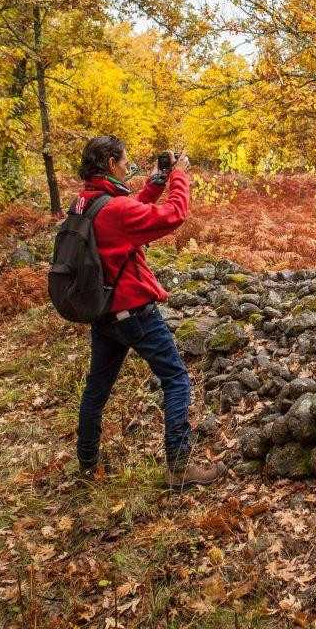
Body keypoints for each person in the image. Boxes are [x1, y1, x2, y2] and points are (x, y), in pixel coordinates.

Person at [72, 135, 223, 488]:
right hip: (133, 312)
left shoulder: (87, 201)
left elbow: (127, 215)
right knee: (176, 379)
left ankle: (86, 463)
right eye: (124, 162)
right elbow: (174, 215)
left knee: (96, 389)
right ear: (110, 163)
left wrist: (154, 183)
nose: (128, 167)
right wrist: (178, 177)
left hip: (103, 312)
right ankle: (179, 466)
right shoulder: (114, 208)